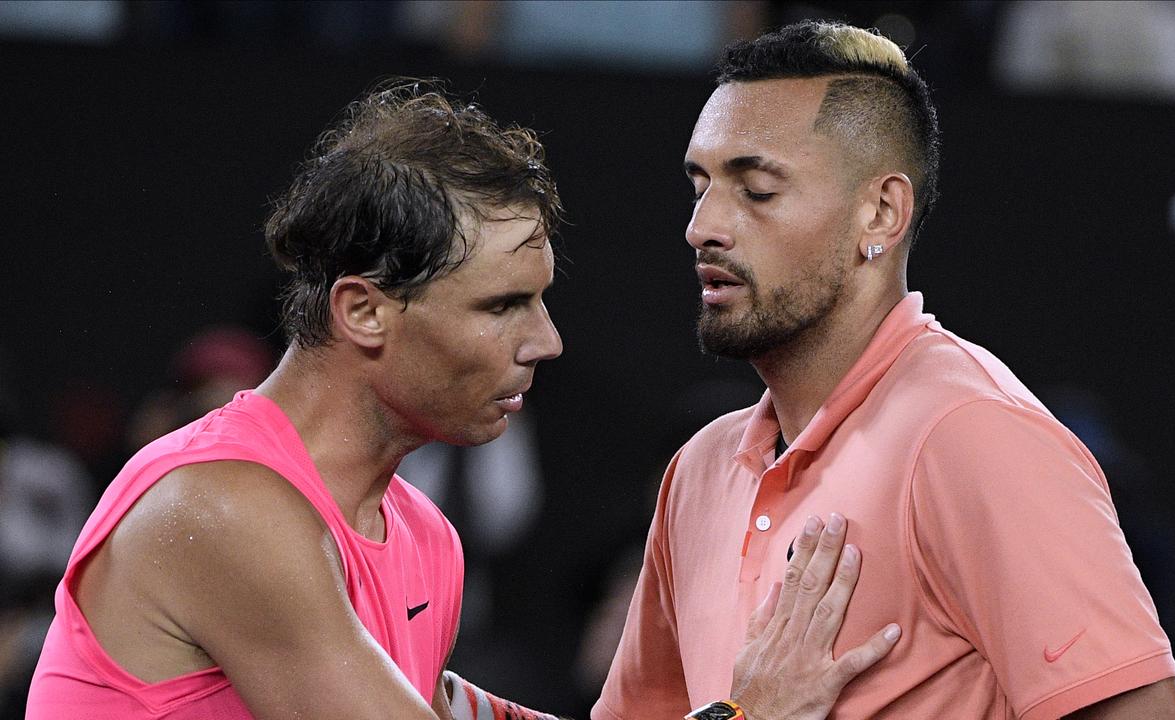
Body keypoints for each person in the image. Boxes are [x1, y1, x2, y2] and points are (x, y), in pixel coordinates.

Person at [25, 80, 896, 720]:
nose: (546, 342)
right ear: (365, 310)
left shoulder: (421, 539)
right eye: (502, 305)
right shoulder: (223, 510)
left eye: (541, 299)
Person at [595, 21, 1175, 720]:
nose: (704, 226)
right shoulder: (698, 470)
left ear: (880, 213)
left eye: (756, 189)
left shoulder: (973, 436)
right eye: (700, 186)